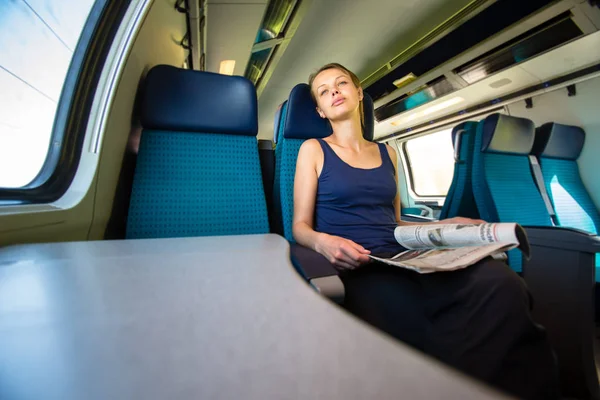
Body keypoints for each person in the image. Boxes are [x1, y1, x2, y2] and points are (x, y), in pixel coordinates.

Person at [292, 62, 559, 400]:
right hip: (357, 265)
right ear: (320, 109)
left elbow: (398, 222)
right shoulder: (313, 150)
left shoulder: (388, 152)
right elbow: (299, 227)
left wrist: (446, 227)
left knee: (501, 283)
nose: (334, 92)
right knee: (402, 310)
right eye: (324, 90)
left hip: (404, 257)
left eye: (341, 83)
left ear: (359, 93)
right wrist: (325, 244)